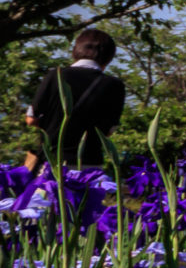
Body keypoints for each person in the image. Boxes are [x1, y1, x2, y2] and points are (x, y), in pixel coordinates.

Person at [23, 28, 129, 169]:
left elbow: (31, 119)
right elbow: (108, 132)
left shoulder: (56, 76)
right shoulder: (115, 85)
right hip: (90, 166)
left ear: (76, 50)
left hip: (53, 163)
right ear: (109, 57)